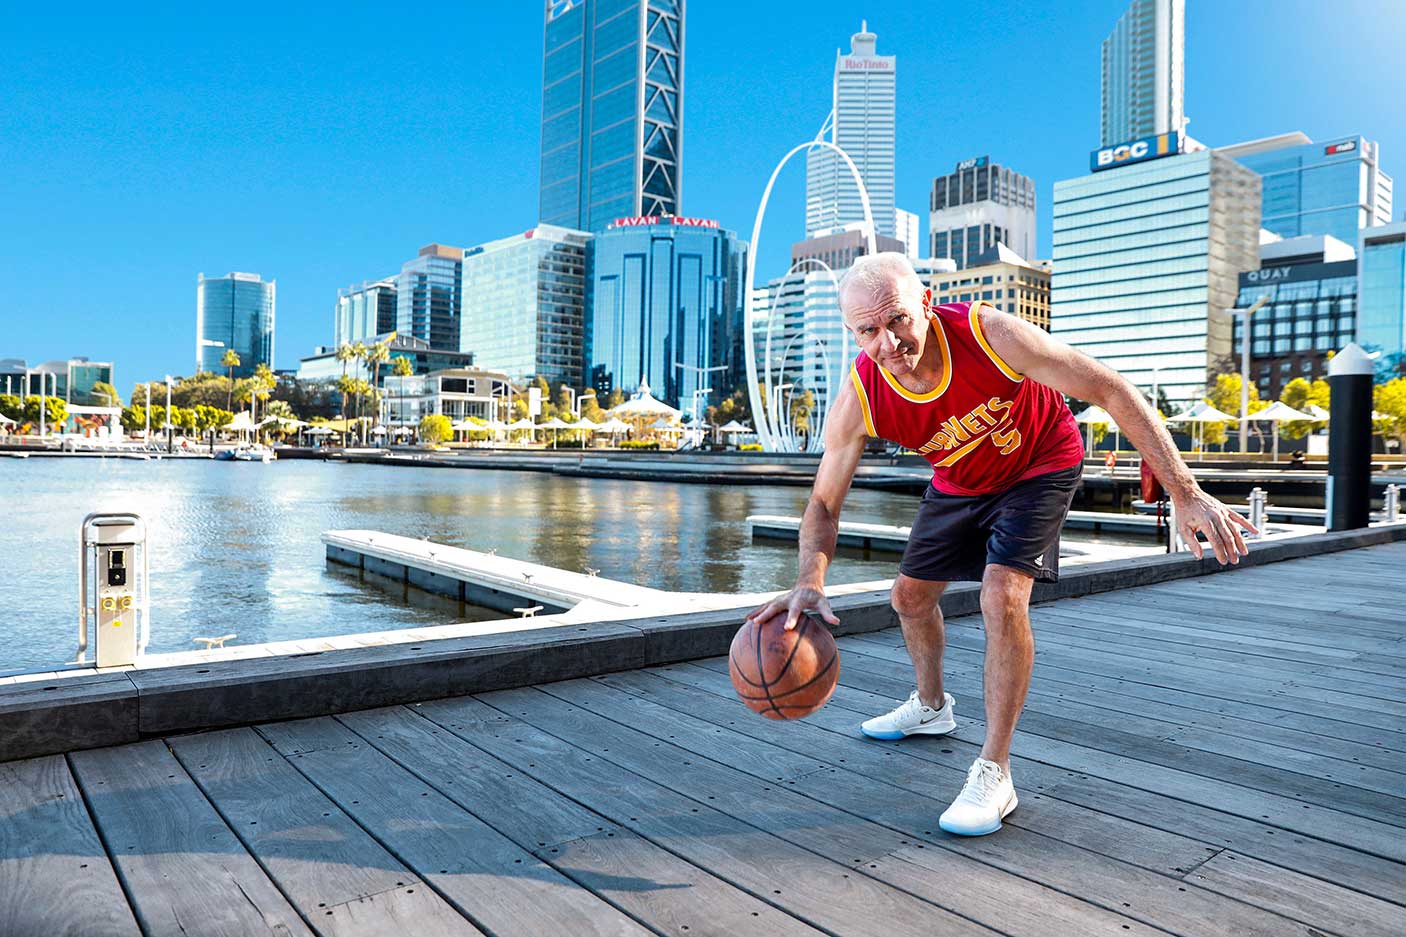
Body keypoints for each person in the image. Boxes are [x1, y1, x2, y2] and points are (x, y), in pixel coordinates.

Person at [747, 253, 1255, 837]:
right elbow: (822, 505)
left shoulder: (990, 335)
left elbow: (1110, 389)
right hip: (960, 479)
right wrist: (810, 581)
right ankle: (933, 709)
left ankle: (995, 769)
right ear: (851, 332)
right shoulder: (861, 396)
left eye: (898, 321)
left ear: (928, 302)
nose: (887, 342)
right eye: (868, 331)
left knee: (1001, 595)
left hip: (1040, 464)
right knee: (908, 599)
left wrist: (1185, 491)